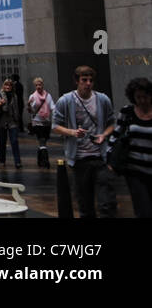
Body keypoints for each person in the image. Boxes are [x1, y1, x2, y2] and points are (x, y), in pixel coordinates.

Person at [51, 65, 117, 218]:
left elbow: (112, 123)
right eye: (84, 80)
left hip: (100, 156)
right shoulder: (66, 100)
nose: (88, 83)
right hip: (79, 159)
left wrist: (103, 135)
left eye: (91, 80)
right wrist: (73, 132)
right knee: (85, 203)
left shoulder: (102, 99)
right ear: (77, 81)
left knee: (106, 201)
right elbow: (55, 126)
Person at [111, 77, 152, 218]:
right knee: (143, 210)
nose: (142, 101)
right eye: (138, 97)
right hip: (135, 170)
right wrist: (110, 158)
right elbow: (116, 135)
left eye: (145, 97)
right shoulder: (127, 112)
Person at [0, 77, 23, 168]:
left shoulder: (14, 96)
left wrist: (17, 120)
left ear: (12, 87)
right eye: (6, 85)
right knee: (2, 142)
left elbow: (16, 109)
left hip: (12, 122)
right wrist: (0, 104)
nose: (8, 87)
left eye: (10, 85)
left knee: (14, 141)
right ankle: (2, 160)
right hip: (2, 122)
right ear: (3, 86)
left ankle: (17, 162)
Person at [26, 77, 56, 167]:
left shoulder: (48, 96)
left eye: (40, 85)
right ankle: (46, 161)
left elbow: (52, 107)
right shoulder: (32, 96)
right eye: (36, 85)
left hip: (46, 121)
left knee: (43, 141)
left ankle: (39, 160)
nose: (38, 87)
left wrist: (55, 119)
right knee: (42, 140)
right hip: (37, 121)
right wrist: (29, 105)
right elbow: (31, 111)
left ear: (42, 85)